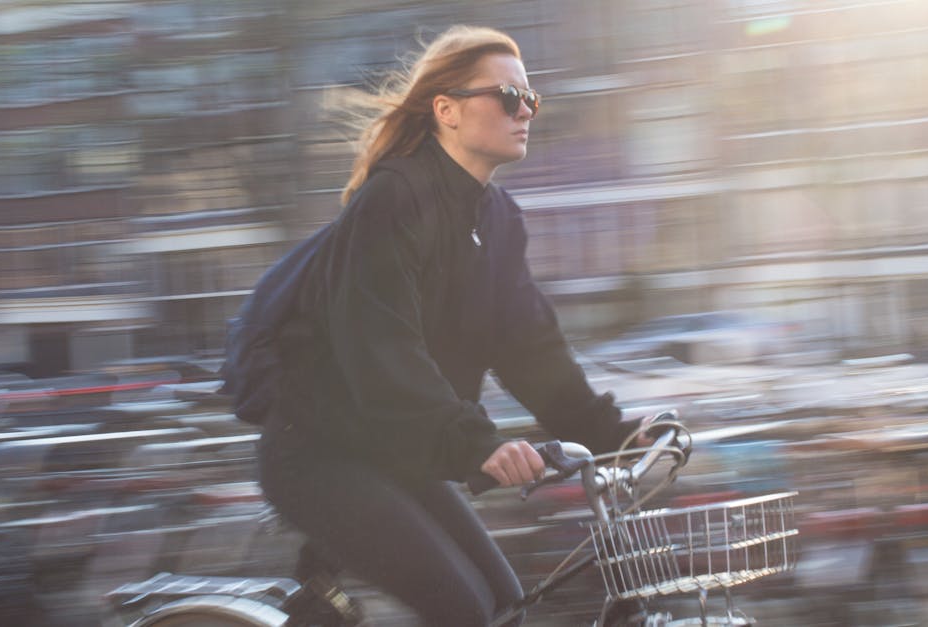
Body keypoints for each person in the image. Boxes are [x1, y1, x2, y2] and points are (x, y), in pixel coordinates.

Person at [255, 25, 650, 626]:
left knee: (506, 605)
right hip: (319, 453)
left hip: (396, 452)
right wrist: (478, 444)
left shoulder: (497, 218)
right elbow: (383, 351)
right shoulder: (392, 201)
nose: (526, 112)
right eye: (508, 97)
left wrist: (611, 432)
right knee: (463, 611)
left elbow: (531, 349)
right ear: (447, 111)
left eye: (531, 99)